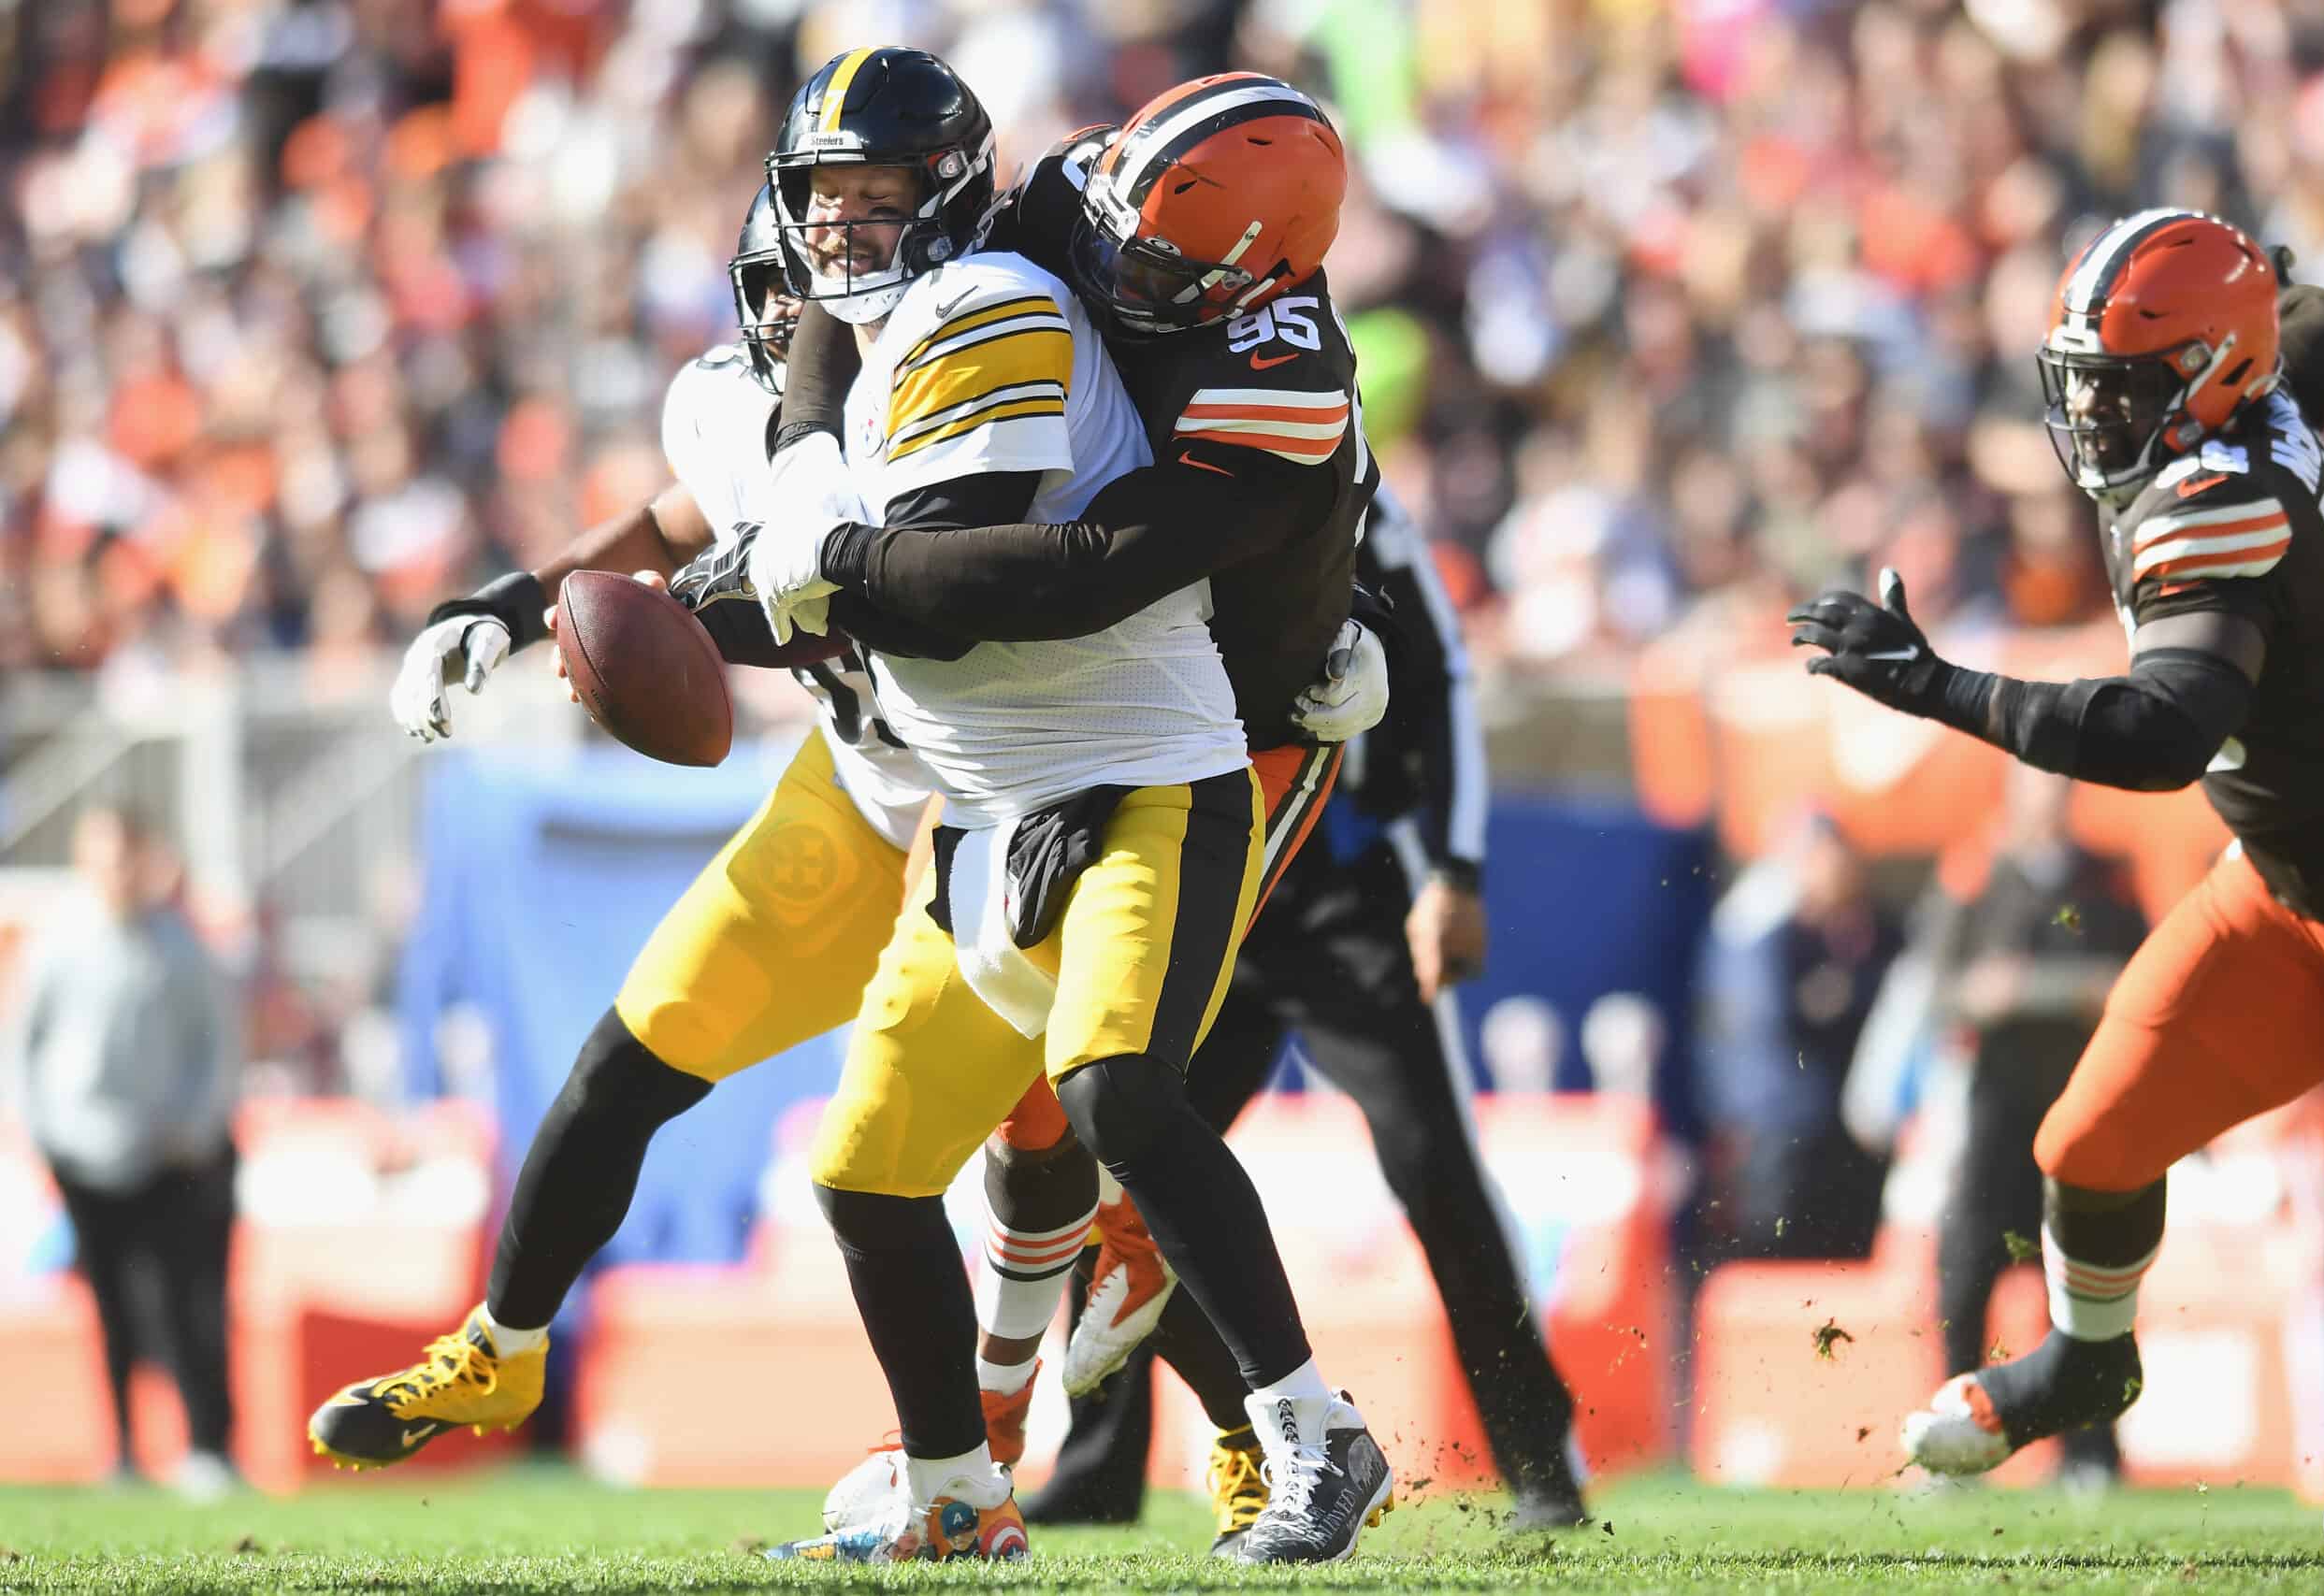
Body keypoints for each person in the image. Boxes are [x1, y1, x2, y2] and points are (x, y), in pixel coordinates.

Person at [310, 162, 1379, 1496]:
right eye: (775, 290)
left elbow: (1064, 558)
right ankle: (502, 1343)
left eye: (798, 294)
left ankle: (1243, 1425)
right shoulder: (735, 405)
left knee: (1073, 1145)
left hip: (1011, 789)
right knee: (643, 1053)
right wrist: (508, 605)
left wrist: (1329, 638)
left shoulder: (962, 358)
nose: (785, 323)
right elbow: (661, 526)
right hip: (864, 789)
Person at [726, 51, 1392, 1565]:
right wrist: (807, 475)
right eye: (1118, 236)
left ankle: (1305, 1428)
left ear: (1251, 279)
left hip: (1210, 726)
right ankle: (961, 1483)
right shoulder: (1078, 208)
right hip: (993, 781)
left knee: (1110, 1090)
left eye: (1158, 270)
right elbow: (842, 290)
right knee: (877, 1168)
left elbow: (1089, 566)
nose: (1114, 273)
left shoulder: (1276, 378)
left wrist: (836, 565)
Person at [1783, 215, 2324, 1519]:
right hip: (2301, 887)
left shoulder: (2215, 500)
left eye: (2125, 381)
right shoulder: (2254, 391)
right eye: (2087, 378)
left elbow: (2163, 731)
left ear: (2216, 373)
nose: (2096, 410)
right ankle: (2084, 1358)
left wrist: (1939, 683)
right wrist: (2272, 300)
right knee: (2093, 1140)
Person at [1003, 487, 1587, 1553]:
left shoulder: (1339, 477)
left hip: (1339, 888)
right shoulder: (1142, 468)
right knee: (1114, 1138)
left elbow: (1443, 671)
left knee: (1432, 1168)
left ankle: (1541, 1461)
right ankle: (1097, 1468)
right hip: (1194, 864)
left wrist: (1453, 866)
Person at [1877, 768, 2146, 1488]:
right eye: (2038, 781)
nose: (2051, 794)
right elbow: (1933, 986)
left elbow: (2147, 976)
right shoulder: (1974, 877)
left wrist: (2098, 990)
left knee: (2087, 1278)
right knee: (1966, 1274)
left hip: (2083, 1108)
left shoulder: (2108, 878)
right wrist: (1984, 992)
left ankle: (2092, 1454)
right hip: (1995, 1113)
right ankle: (1955, 1440)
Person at [8, 805, 240, 1500]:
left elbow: (217, 1047)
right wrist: (42, 1130)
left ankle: (207, 1445)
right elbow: (24, 1044)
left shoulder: (180, 945)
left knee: (185, 1301)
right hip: (83, 1156)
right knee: (110, 1307)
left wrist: (195, 1128)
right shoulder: (57, 941)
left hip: (170, 1158)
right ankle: (123, 1449)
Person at [1693, 813, 1899, 1264]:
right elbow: (1783, 1015)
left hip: (1844, 1122)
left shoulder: (1873, 931)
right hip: (1788, 1123)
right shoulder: (1770, 931)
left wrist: (1843, 994)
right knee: (1778, 1247)